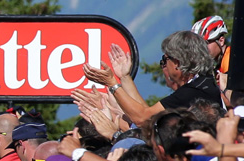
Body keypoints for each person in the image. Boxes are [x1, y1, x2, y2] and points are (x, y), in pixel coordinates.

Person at [85, 31, 220, 128]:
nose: (164, 64)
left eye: (165, 59)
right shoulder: (201, 84)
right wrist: (124, 77)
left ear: (178, 62)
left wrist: (112, 84)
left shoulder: (192, 91)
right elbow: (148, 114)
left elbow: (143, 119)